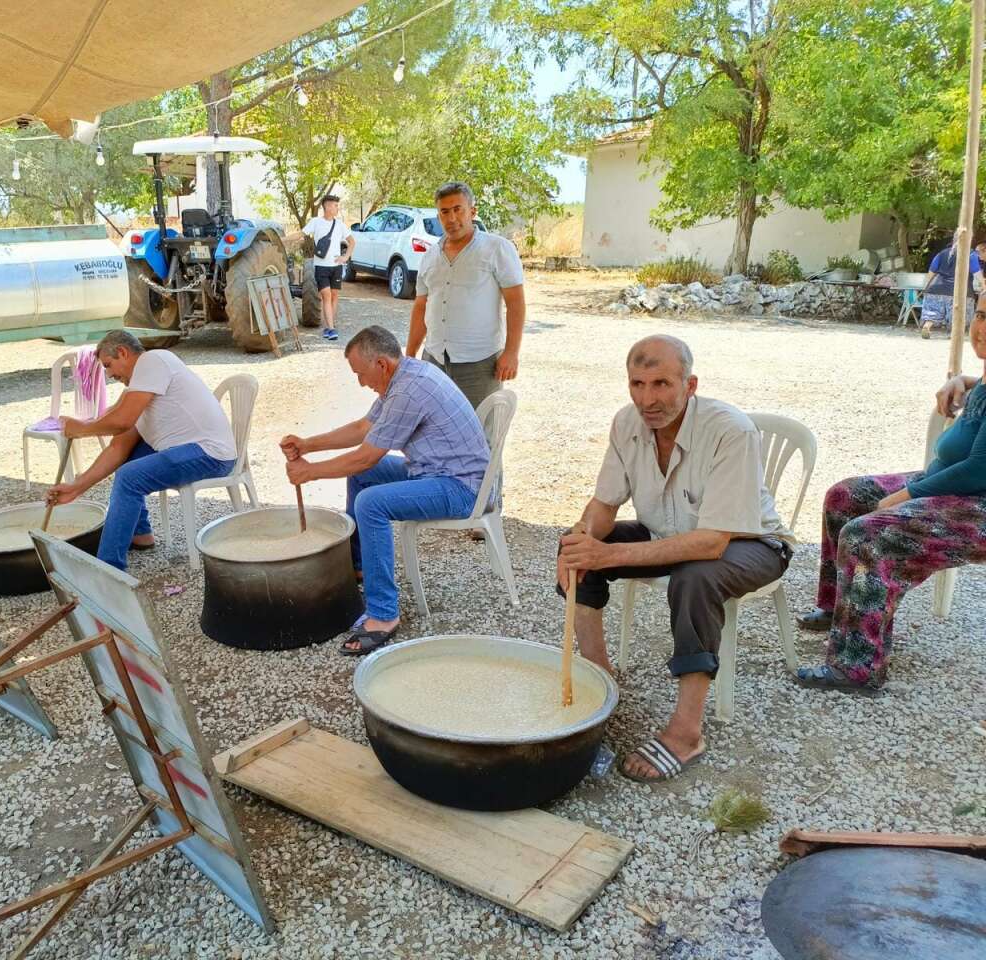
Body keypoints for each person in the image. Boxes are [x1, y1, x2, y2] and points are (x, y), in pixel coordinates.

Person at [557, 335, 792, 783]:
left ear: (690, 384)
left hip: (752, 544)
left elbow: (711, 542)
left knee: (695, 577)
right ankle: (598, 678)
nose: (649, 399)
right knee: (577, 549)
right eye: (638, 384)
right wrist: (580, 540)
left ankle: (687, 732)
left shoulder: (730, 430)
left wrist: (609, 553)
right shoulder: (626, 423)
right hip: (668, 530)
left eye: (662, 383)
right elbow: (604, 505)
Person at [794, 307, 986, 691]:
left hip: (976, 505)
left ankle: (858, 666)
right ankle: (841, 612)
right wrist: (963, 381)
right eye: (981, 314)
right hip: (948, 484)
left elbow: (978, 470)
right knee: (845, 497)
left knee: (868, 534)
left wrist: (901, 497)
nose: (982, 328)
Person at [281, 325, 490, 656]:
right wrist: (309, 444)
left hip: (461, 487)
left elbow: (366, 455)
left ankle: (383, 615)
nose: (360, 383)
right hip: (433, 472)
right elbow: (364, 429)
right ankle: (360, 566)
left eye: (360, 374)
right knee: (364, 480)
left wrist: (310, 472)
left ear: (381, 364)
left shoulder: (408, 391)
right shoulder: (402, 377)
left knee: (370, 502)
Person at [46, 330, 236, 570]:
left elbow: (122, 421)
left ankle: (108, 569)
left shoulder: (153, 360)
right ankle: (140, 533)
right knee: (127, 464)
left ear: (123, 352)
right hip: (189, 449)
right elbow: (118, 447)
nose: (109, 374)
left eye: (109, 365)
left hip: (209, 454)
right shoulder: (138, 389)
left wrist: (82, 429)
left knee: (129, 478)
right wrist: (77, 487)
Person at [405, 181, 526, 412]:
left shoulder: (497, 249)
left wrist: (511, 353)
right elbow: (421, 306)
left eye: (458, 209)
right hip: (434, 359)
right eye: (445, 211)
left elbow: (516, 302)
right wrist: (410, 355)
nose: (451, 218)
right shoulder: (430, 256)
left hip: (480, 363)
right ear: (438, 215)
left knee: (480, 433)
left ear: (472, 211)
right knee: (434, 427)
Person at [302, 194, 354, 342]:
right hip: (321, 266)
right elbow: (301, 233)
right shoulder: (316, 222)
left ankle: (328, 325)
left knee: (334, 296)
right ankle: (331, 329)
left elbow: (352, 242)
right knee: (326, 295)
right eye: (336, 205)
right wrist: (283, 240)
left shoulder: (340, 224)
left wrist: (345, 257)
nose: (337, 208)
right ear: (328, 206)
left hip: (336, 266)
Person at [920, 237, 983, 339]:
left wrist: (926, 287)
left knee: (933, 311)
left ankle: (927, 326)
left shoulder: (942, 253)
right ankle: (953, 334)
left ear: (953, 240)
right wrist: (984, 286)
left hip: (936, 289)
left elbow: (931, 272)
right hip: (959, 291)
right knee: (957, 314)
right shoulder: (970, 254)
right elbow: (976, 272)